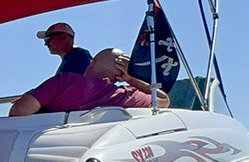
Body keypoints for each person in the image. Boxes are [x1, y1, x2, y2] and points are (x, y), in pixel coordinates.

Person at [9, 48, 170, 116]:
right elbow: (163, 100)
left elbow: (19, 111)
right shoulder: (125, 95)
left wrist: (31, 95)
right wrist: (131, 79)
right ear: (120, 74)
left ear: (91, 63)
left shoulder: (64, 81)